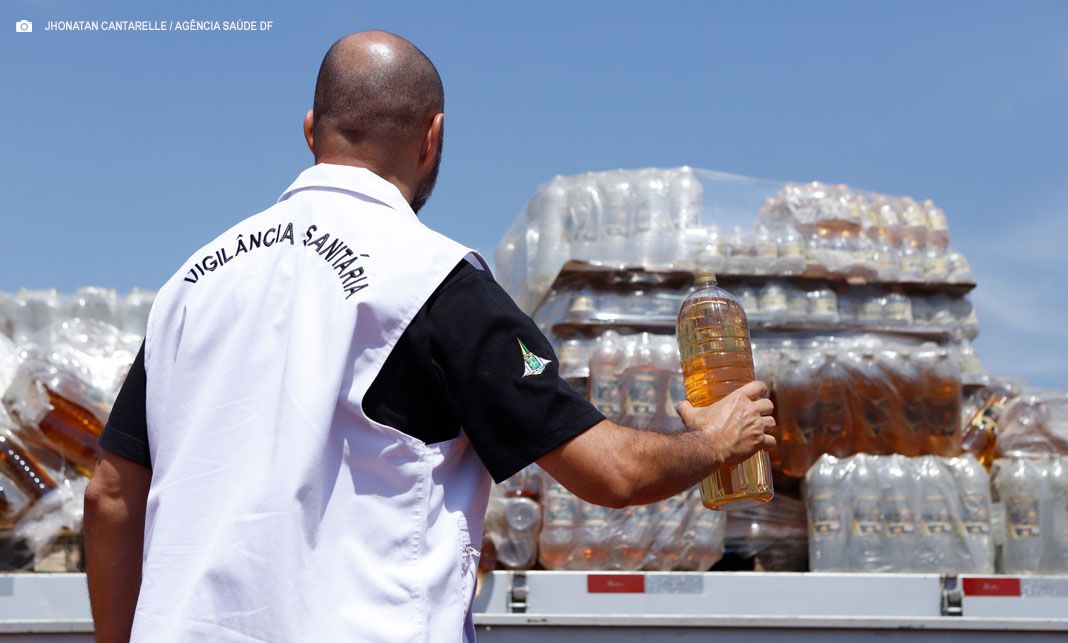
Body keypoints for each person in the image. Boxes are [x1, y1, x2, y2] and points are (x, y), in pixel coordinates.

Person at [83, 30, 775, 643]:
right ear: (432, 136)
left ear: (309, 129)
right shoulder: (434, 281)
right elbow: (611, 472)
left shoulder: (193, 282)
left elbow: (110, 494)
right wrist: (717, 439)